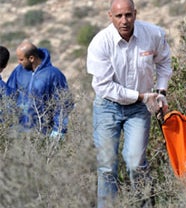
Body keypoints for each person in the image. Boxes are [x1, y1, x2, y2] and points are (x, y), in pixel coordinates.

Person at [86, 0, 172, 207]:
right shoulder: (100, 43)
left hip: (139, 110)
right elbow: (104, 87)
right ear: (110, 16)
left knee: (136, 163)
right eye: (118, 16)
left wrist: (160, 91)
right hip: (108, 107)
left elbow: (164, 62)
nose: (124, 21)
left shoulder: (153, 34)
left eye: (128, 15)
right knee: (106, 166)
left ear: (135, 13)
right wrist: (142, 96)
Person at [6, 41, 72, 140]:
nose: (19, 62)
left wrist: (58, 131)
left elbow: (63, 103)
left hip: (42, 133)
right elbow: (8, 95)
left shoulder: (53, 74)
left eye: (21, 59)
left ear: (31, 58)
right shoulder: (18, 71)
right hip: (18, 132)